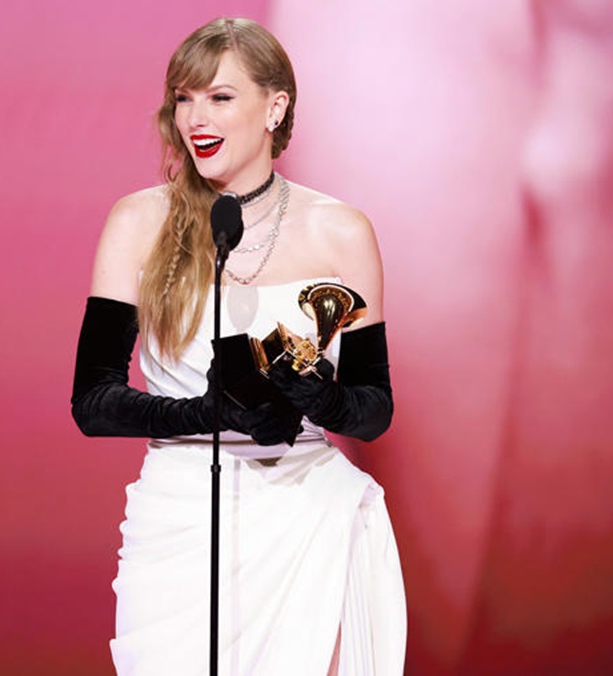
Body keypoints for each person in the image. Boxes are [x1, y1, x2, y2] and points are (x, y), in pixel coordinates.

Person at [71, 17, 406, 674]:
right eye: (184, 98)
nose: (196, 117)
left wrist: (323, 400)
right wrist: (206, 414)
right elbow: (93, 401)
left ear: (274, 107)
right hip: (180, 520)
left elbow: (375, 409)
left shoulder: (341, 232)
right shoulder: (139, 222)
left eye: (219, 97)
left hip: (308, 516)